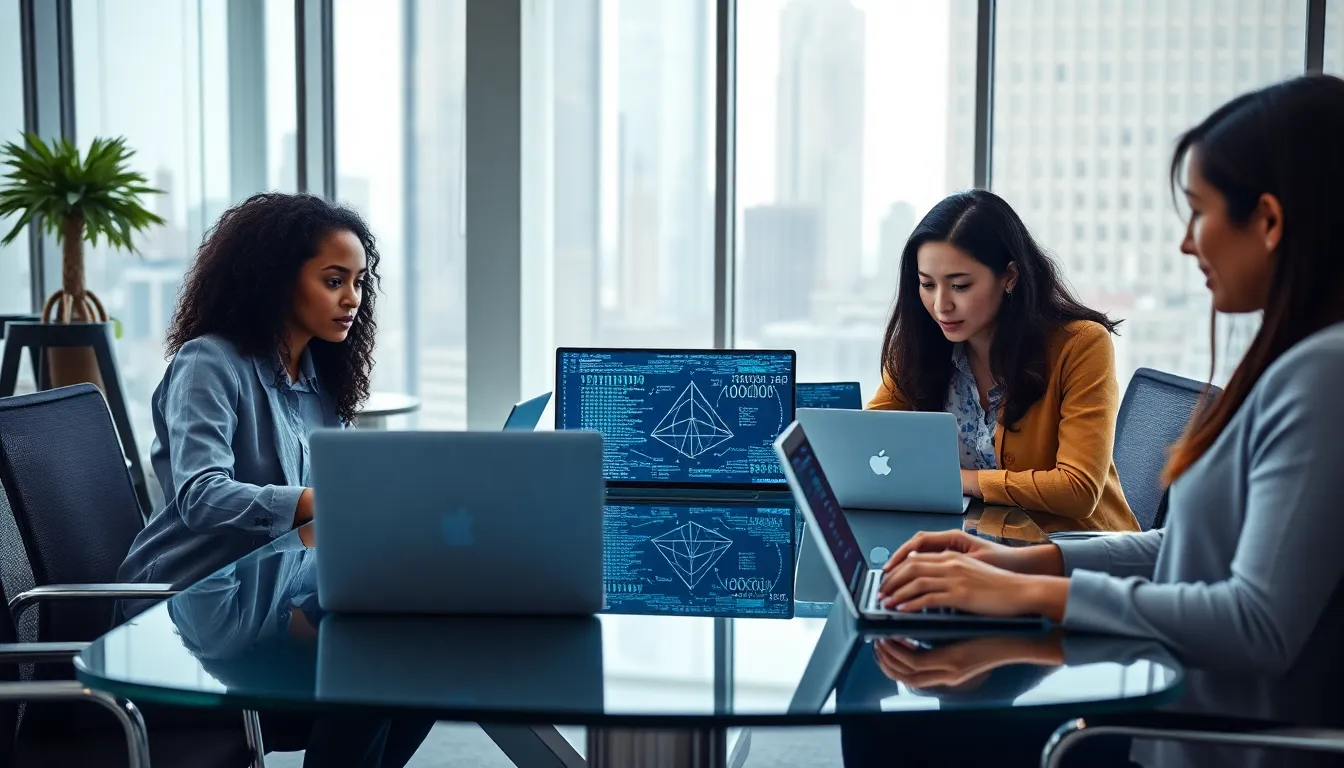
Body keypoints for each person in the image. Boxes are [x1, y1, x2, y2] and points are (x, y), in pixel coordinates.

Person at [878, 75, 1344, 767]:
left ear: (1269, 222)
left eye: (1199, 211)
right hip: (1166, 718)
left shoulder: (1323, 375)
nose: (1188, 244)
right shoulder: (1297, 363)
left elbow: (1255, 622)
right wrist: (1020, 563)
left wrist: (1030, 590)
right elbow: (1180, 548)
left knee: (913, 728)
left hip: (1203, 744)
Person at [119, 192, 380, 589]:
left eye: (359, 282)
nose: (353, 299)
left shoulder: (323, 377)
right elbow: (201, 496)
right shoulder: (208, 363)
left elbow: (341, 484)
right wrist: (315, 501)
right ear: (278, 279)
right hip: (187, 597)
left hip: (274, 590)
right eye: (334, 281)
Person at [869, 189, 1139, 533]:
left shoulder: (1080, 345)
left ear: (1009, 276)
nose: (941, 305)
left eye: (960, 286)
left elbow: (1077, 490)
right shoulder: (921, 345)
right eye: (927, 284)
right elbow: (871, 444)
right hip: (983, 546)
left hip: (1078, 552)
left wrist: (958, 480)